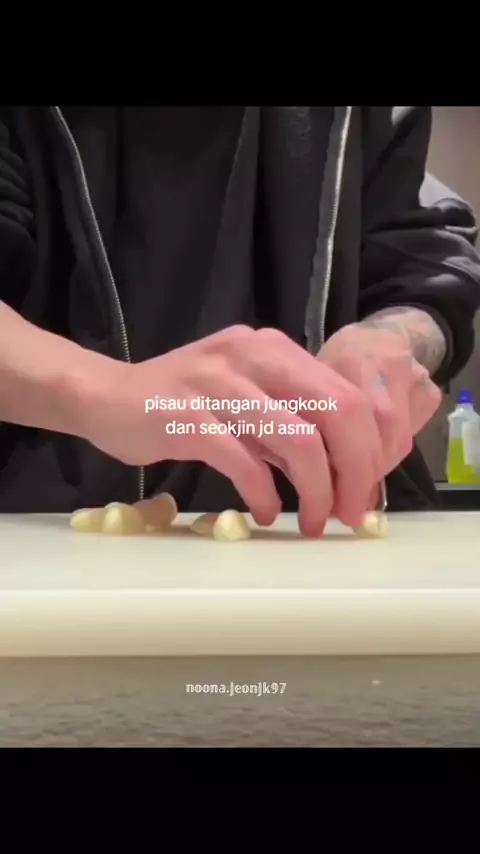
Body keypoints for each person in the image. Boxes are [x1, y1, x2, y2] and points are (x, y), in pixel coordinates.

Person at [1, 106, 480, 537]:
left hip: (334, 542)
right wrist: (104, 389)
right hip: (59, 540)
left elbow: (426, 267)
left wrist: (395, 338)